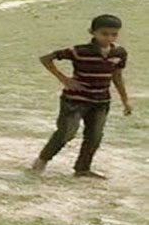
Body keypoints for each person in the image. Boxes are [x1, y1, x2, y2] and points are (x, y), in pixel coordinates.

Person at [31, 14, 132, 179]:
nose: (109, 37)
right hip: (74, 100)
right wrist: (64, 79)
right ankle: (42, 160)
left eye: (113, 34)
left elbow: (117, 77)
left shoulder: (119, 53)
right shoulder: (78, 51)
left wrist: (125, 101)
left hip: (101, 101)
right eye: (104, 33)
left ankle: (82, 169)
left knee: (94, 136)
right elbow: (46, 59)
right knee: (67, 132)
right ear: (92, 32)